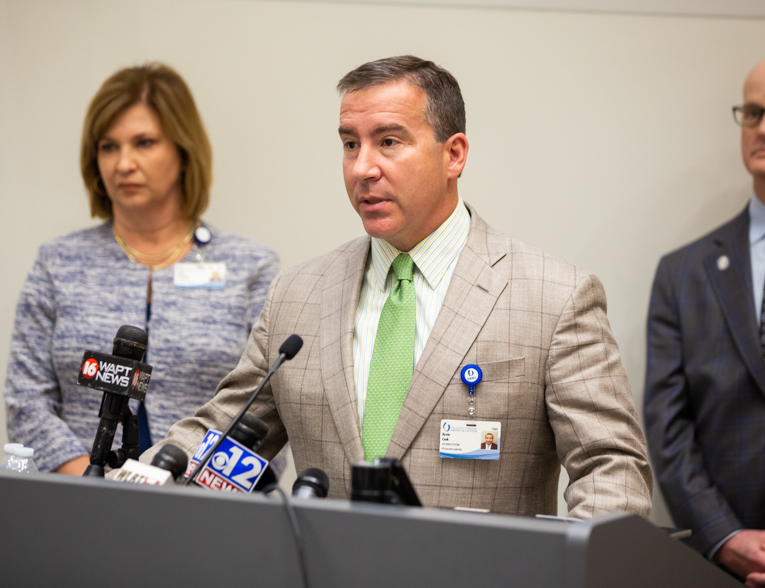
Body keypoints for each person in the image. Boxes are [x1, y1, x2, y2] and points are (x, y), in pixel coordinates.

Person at [144, 55, 652, 518]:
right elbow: (221, 437)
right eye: (350, 144)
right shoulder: (297, 296)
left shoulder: (554, 297)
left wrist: (570, 567)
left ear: (454, 155)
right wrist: (133, 484)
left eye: (388, 141)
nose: (363, 168)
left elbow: (611, 471)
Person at [4, 63, 280, 475]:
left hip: (202, 512)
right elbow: (26, 400)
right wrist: (93, 482)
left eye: (144, 143)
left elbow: (269, 409)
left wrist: (187, 489)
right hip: (75, 503)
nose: (124, 163)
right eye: (109, 146)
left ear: (183, 152)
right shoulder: (58, 263)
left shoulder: (251, 268)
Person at [645, 59, 765, 586]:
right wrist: (725, 537)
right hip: (721, 566)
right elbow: (668, 429)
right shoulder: (683, 273)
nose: (761, 127)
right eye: (754, 113)